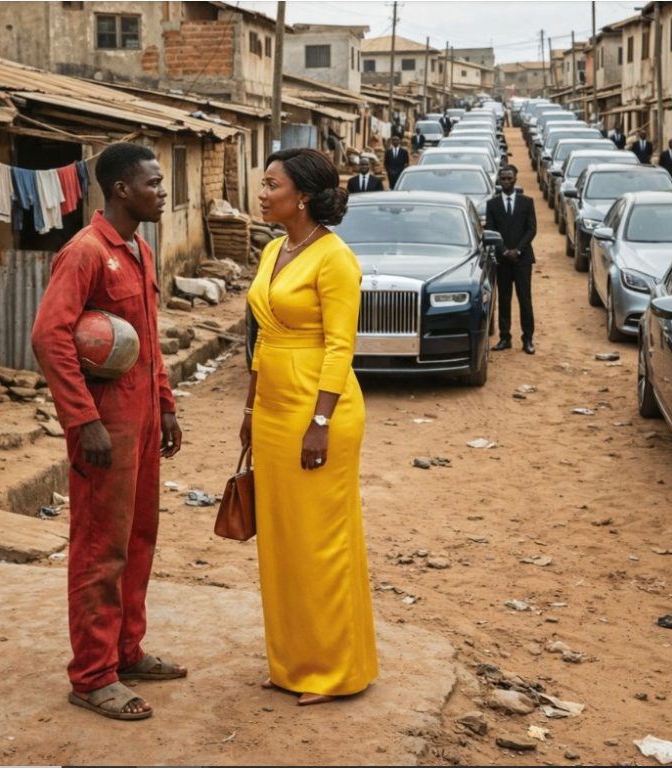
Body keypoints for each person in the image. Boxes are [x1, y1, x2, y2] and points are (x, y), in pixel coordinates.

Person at [31, 143, 186, 722]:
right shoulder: (85, 253)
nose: (162, 191)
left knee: (138, 539)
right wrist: (83, 419)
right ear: (122, 189)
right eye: (153, 182)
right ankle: (93, 676)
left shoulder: (138, 249)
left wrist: (166, 407)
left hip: (142, 418)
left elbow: (147, 339)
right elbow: (50, 337)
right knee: (101, 547)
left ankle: (126, 651)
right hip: (104, 426)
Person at [242, 148, 378, 707]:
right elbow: (263, 338)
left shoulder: (335, 258)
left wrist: (319, 422)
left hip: (319, 412)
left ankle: (334, 670)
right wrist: (250, 410)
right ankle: (293, 662)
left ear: (301, 195)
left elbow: (341, 347)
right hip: (274, 408)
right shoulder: (275, 248)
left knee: (321, 541)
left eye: (271, 183)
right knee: (281, 542)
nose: (262, 191)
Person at [485, 164, 537, 355]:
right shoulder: (493, 204)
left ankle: (528, 339)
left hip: (522, 261)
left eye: (509, 178)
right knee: (504, 299)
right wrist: (505, 251)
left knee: (525, 299)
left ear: (515, 179)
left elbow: (532, 229)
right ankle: (504, 337)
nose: (506, 181)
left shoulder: (527, 202)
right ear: (499, 180)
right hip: (502, 260)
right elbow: (490, 229)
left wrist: (518, 251)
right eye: (503, 178)